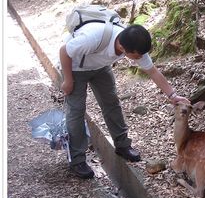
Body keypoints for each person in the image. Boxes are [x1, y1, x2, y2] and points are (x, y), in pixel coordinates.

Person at [59, 24, 190, 179]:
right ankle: (77, 160)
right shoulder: (93, 38)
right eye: (136, 56)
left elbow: (152, 71)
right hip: (75, 67)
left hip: (100, 67)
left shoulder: (134, 44)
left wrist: (172, 95)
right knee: (77, 110)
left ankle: (122, 145)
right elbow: (64, 51)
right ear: (122, 47)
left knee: (112, 103)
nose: (140, 58)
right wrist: (68, 80)